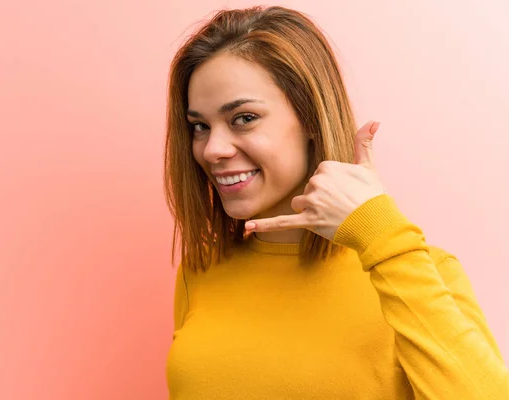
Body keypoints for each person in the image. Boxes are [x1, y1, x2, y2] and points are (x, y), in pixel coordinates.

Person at [162, 5, 509, 399]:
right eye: (200, 127)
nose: (212, 149)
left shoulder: (417, 269)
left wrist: (382, 233)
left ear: (311, 116)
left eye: (243, 118)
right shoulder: (201, 271)